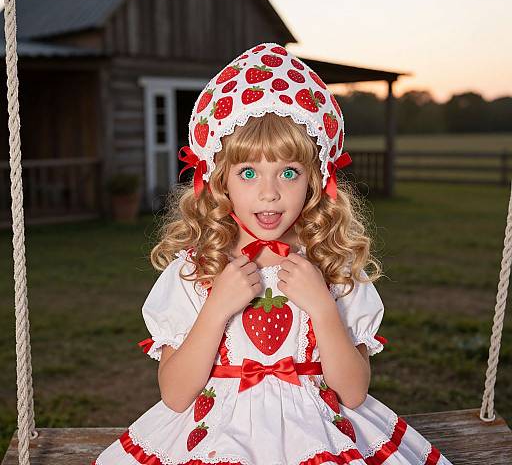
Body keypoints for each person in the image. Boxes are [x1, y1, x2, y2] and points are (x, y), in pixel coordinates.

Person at [92, 43, 454, 465]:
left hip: (320, 433)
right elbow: (174, 395)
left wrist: (322, 306)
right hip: (215, 436)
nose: (269, 192)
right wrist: (216, 308)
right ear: (219, 181)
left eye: (288, 172)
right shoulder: (197, 269)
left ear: (316, 181)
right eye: (248, 172)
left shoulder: (333, 268)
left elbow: (353, 393)